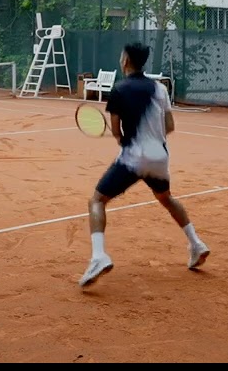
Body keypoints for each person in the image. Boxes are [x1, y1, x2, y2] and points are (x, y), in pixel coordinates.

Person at [79, 41, 209, 288]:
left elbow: (117, 133)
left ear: (125, 59)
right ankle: (196, 243)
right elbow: (169, 127)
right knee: (166, 198)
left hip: (134, 158)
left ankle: (98, 256)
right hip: (159, 157)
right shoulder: (160, 89)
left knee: (97, 200)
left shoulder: (118, 90)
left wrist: (125, 138)